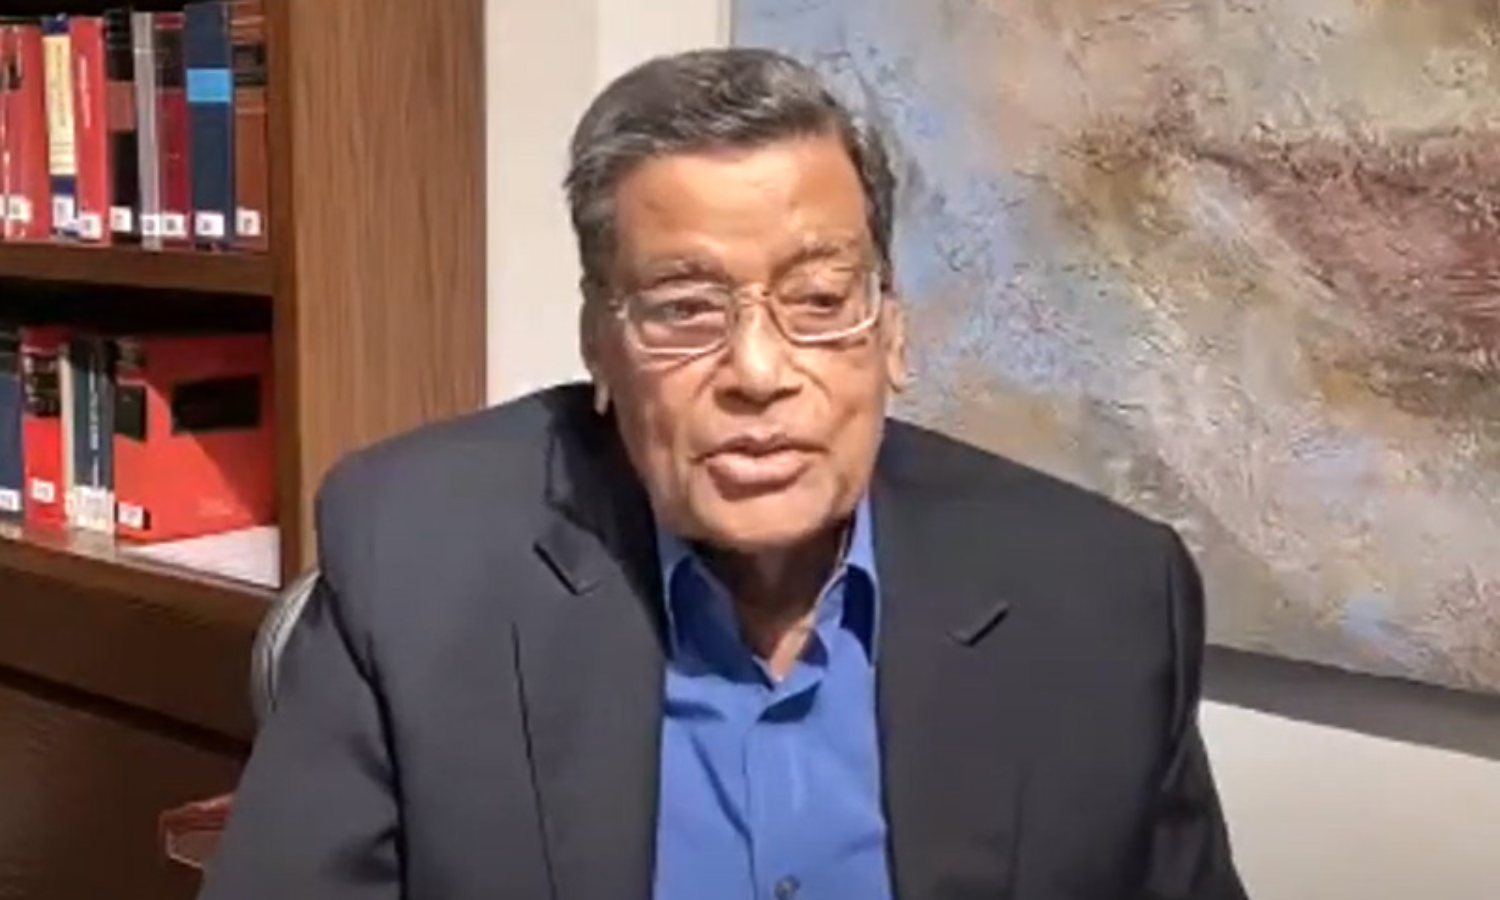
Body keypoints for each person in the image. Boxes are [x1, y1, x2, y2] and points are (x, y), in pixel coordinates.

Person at [199, 48, 1247, 900]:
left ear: (891, 332)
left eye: (819, 301)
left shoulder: (1102, 601)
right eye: (686, 309)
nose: (757, 372)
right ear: (601, 347)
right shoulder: (418, 560)